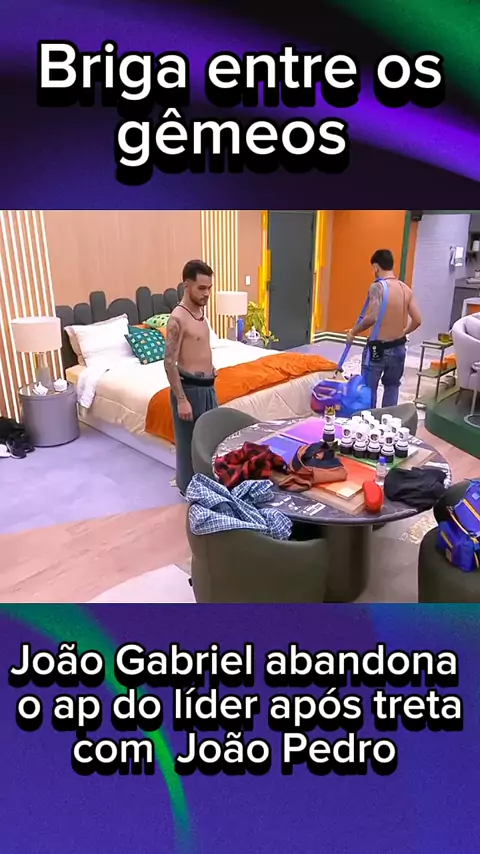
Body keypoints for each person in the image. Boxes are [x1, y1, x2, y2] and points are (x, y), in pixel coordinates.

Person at [164, 259, 218, 495]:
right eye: (201, 288)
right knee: (189, 446)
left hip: (208, 387)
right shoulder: (177, 319)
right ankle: (188, 491)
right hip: (190, 390)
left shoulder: (199, 312)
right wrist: (181, 399)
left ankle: (209, 485)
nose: (207, 294)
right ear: (186, 285)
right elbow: (169, 362)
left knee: (211, 439)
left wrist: (210, 367)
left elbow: (199, 345)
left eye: (209, 288)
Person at [346, 249, 422, 408]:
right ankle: (388, 418)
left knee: (369, 388)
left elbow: (372, 317)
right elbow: (417, 320)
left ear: (376, 267)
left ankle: (370, 420)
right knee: (392, 386)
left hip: (377, 350)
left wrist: (353, 332)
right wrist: (404, 331)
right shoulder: (405, 289)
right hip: (399, 348)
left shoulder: (377, 287)